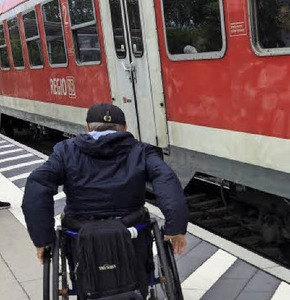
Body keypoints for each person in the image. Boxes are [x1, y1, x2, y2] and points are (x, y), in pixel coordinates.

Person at [22, 103, 189, 263]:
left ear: (88, 127)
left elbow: (37, 186)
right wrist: (176, 228)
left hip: (80, 229)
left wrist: (43, 239)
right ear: (124, 127)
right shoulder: (141, 151)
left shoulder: (66, 151)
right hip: (131, 226)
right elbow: (166, 180)